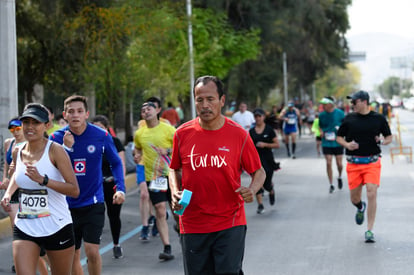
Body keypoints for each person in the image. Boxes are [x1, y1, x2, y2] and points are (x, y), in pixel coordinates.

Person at [169, 75, 265, 274]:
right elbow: (174, 168)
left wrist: (252, 189)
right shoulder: (182, 134)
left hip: (229, 221)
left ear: (221, 100)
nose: (205, 105)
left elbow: (258, 171)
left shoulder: (238, 134)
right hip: (192, 223)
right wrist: (174, 192)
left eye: (210, 99)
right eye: (199, 99)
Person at [49, 95, 125, 275]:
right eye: (71, 112)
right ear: (65, 114)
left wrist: (120, 188)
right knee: (73, 254)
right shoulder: (56, 138)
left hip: (93, 202)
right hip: (66, 206)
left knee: (91, 251)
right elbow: (51, 167)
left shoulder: (101, 136)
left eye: (80, 111)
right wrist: (66, 148)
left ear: (86, 114)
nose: (75, 115)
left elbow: (116, 162)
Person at [1, 103, 79, 275]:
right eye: (26, 122)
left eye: (35, 123)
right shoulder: (17, 150)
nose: (30, 127)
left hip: (56, 226)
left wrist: (43, 180)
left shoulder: (55, 151)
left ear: (47, 125)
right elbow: (17, 174)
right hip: (25, 226)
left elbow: (74, 189)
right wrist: (8, 193)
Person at [336, 90, 392, 243]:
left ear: (364, 102)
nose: (352, 105)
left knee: (371, 192)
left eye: (354, 102)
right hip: (354, 163)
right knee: (354, 198)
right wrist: (347, 144)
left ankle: (369, 230)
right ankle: (360, 207)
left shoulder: (378, 118)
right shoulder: (349, 119)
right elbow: (339, 137)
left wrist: (381, 140)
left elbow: (389, 137)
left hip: (372, 162)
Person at [134, 100, 176, 260]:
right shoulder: (140, 133)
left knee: (176, 209)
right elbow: (137, 148)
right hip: (153, 177)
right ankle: (167, 247)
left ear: (158, 110)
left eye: (149, 108)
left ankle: (180, 227)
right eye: (143, 110)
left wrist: (168, 150)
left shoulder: (169, 129)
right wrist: (137, 155)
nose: (146, 111)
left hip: (172, 175)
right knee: (159, 208)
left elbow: (182, 146)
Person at [92, 115, 126, 259]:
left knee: (113, 216)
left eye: (101, 127)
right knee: (95, 218)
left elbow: (120, 164)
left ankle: (116, 244)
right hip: (96, 186)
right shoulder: (90, 144)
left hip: (111, 184)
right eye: (95, 128)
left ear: (106, 129)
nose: (98, 131)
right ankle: (93, 250)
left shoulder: (115, 142)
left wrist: (120, 188)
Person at [249, 108, 280, 214]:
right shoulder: (251, 132)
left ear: (263, 117)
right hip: (256, 161)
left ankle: (271, 190)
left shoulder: (269, 130)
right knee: (256, 182)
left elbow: (277, 145)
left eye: (259, 116)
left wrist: (265, 145)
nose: (257, 118)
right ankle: (260, 205)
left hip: (268, 160)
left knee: (266, 184)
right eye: (255, 116)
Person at [318, 97, 345, 193]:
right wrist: (321, 132)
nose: (323, 106)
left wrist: (341, 129)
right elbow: (320, 126)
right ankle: (331, 184)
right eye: (322, 104)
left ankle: (340, 176)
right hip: (327, 142)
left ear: (330, 104)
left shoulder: (340, 113)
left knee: (339, 164)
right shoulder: (321, 115)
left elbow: (345, 125)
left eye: (325, 104)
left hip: (338, 141)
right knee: (328, 162)